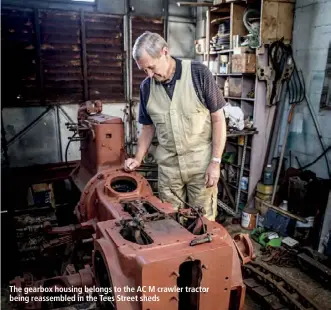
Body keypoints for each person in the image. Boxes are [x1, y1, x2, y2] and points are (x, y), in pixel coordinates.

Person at [124, 31, 227, 221]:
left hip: (201, 167)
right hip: (169, 169)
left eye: (151, 67)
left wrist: (215, 162)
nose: (149, 74)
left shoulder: (198, 73)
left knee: (202, 223)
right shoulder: (146, 87)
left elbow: (218, 119)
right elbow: (147, 127)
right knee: (171, 222)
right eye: (143, 70)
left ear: (164, 52)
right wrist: (138, 158)